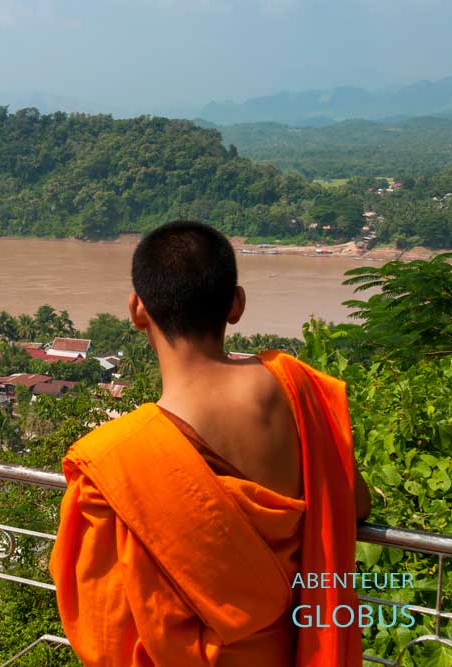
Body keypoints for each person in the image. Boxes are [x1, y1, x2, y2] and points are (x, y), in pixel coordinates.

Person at [49, 220, 371, 667]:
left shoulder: (115, 462)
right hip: (302, 650)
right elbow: (353, 505)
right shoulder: (300, 389)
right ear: (236, 304)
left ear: (137, 310)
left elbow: (106, 633)